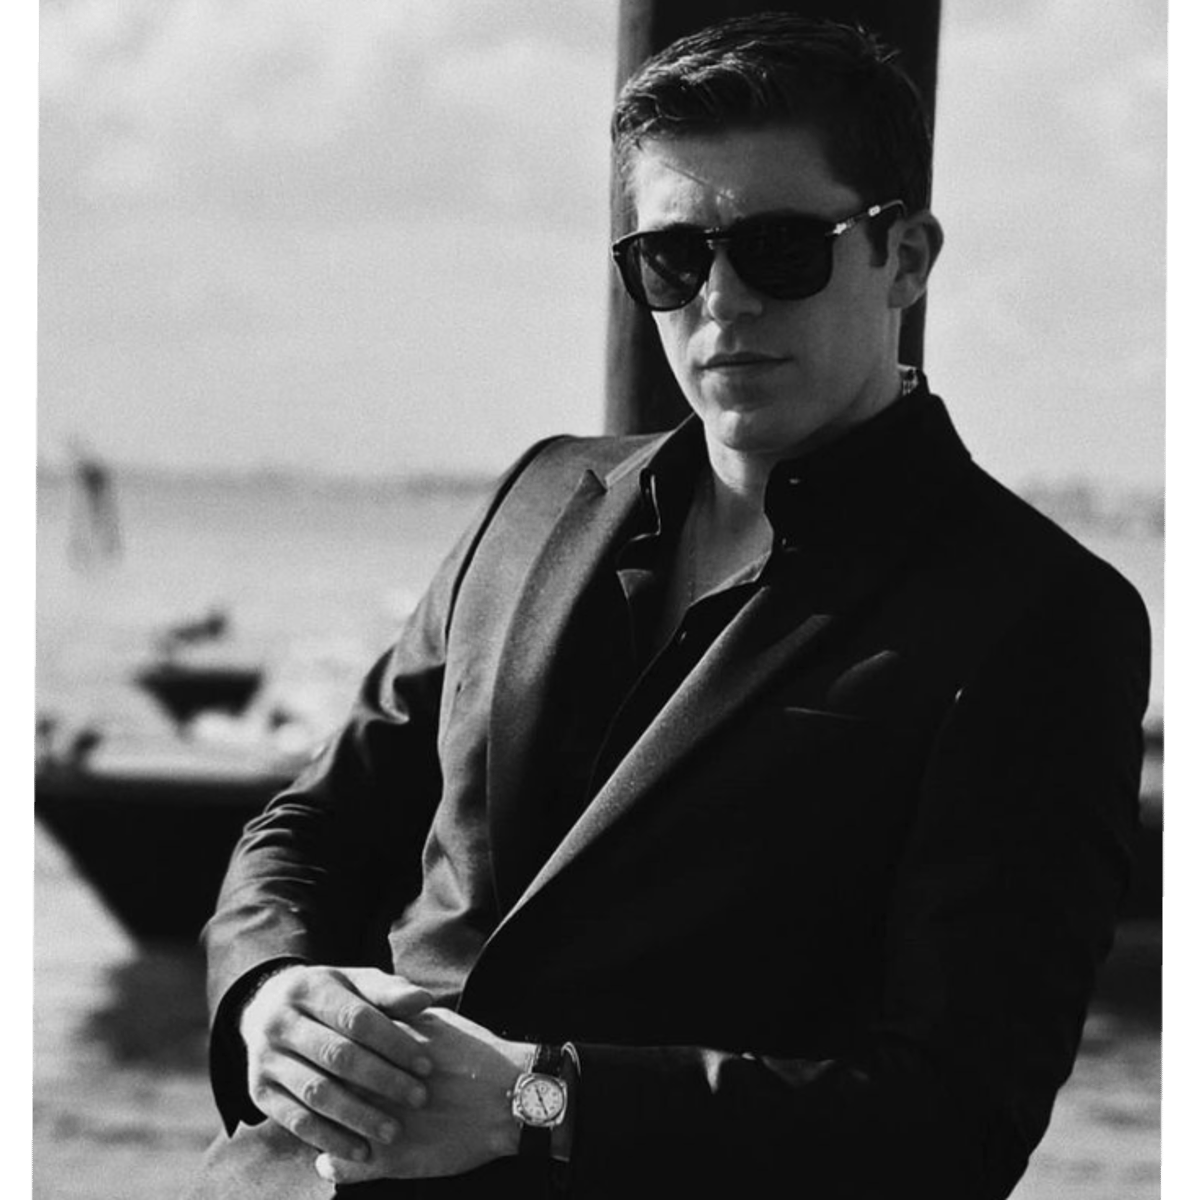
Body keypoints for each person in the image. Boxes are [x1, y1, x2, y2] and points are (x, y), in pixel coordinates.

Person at [187, 15, 1150, 1200]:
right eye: (672, 259)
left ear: (905, 258)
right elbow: (313, 829)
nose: (723, 301)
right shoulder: (538, 497)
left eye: (780, 250)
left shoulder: (1038, 617)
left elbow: (954, 1124)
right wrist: (271, 994)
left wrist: (538, 1102)